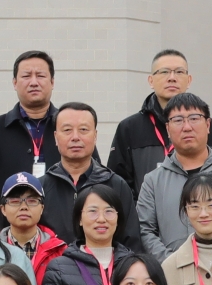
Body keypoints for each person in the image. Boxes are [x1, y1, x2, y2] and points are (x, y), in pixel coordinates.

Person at [136, 93, 212, 259]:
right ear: (168, 129)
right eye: (178, 120)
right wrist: (173, 264)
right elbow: (145, 231)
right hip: (172, 270)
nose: (187, 127)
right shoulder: (153, 181)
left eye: (194, 118)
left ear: (208, 125)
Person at [107, 49, 212, 193]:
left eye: (179, 72)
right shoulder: (130, 127)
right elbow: (118, 186)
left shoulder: (206, 125)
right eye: (164, 72)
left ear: (189, 80)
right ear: (151, 80)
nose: (172, 78)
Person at [37, 102, 137, 243]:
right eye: (67, 130)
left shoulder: (116, 185)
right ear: (55, 137)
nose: (75, 137)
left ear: (95, 136)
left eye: (83, 129)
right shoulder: (40, 188)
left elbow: (131, 241)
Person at [0, 49, 58, 180]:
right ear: (15, 83)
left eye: (40, 75)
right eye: (26, 76)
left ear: (52, 82)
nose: (34, 82)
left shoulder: (68, 126)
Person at [0, 172, 65, 284]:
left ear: (42, 208)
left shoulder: (59, 251)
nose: (24, 207)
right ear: (3, 209)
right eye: (15, 201)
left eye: (32, 201)